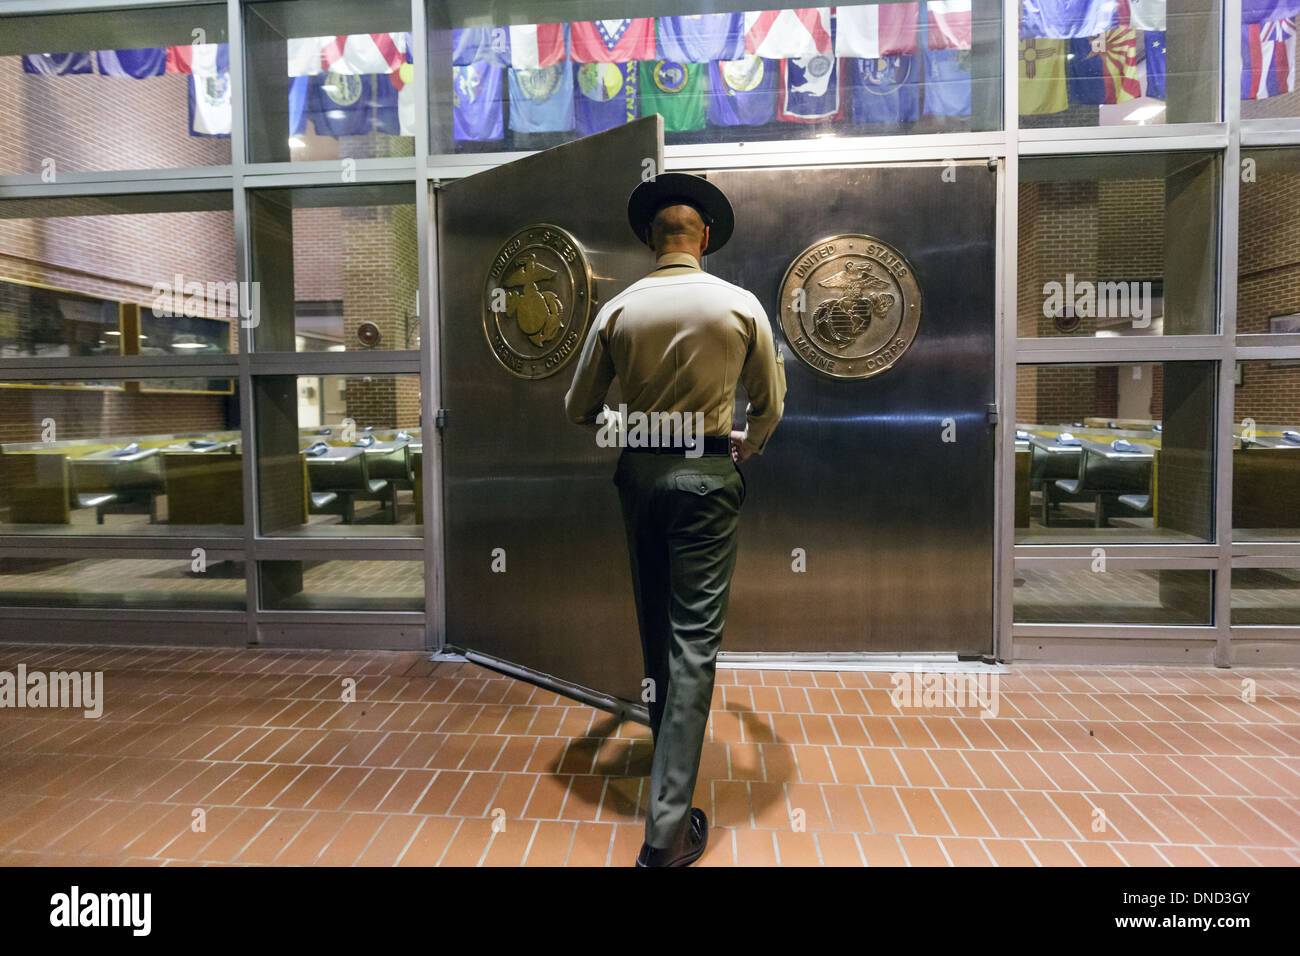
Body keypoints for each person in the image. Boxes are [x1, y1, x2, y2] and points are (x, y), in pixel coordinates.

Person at [564, 172, 786, 867]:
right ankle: (665, 834)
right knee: (694, 642)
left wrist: (629, 425)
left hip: (641, 474)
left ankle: (668, 776)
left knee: (656, 630)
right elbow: (770, 404)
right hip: (709, 476)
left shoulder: (619, 310)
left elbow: (578, 407)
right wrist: (746, 441)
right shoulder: (739, 305)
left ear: (650, 240)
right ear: (706, 237)